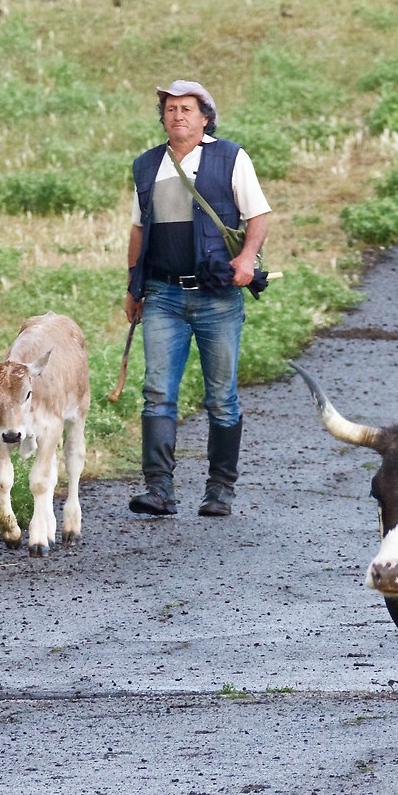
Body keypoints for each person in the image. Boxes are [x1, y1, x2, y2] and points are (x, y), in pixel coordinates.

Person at [124, 80, 272, 518]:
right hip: (163, 294)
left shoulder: (230, 157)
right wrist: (134, 288)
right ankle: (158, 490)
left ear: (205, 117)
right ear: (163, 117)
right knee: (156, 392)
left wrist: (247, 258)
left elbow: (258, 214)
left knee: (221, 396)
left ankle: (220, 490)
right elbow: (138, 229)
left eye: (187, 108)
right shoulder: (147, 164)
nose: (178, 115)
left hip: (218, 295)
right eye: (170, 108)